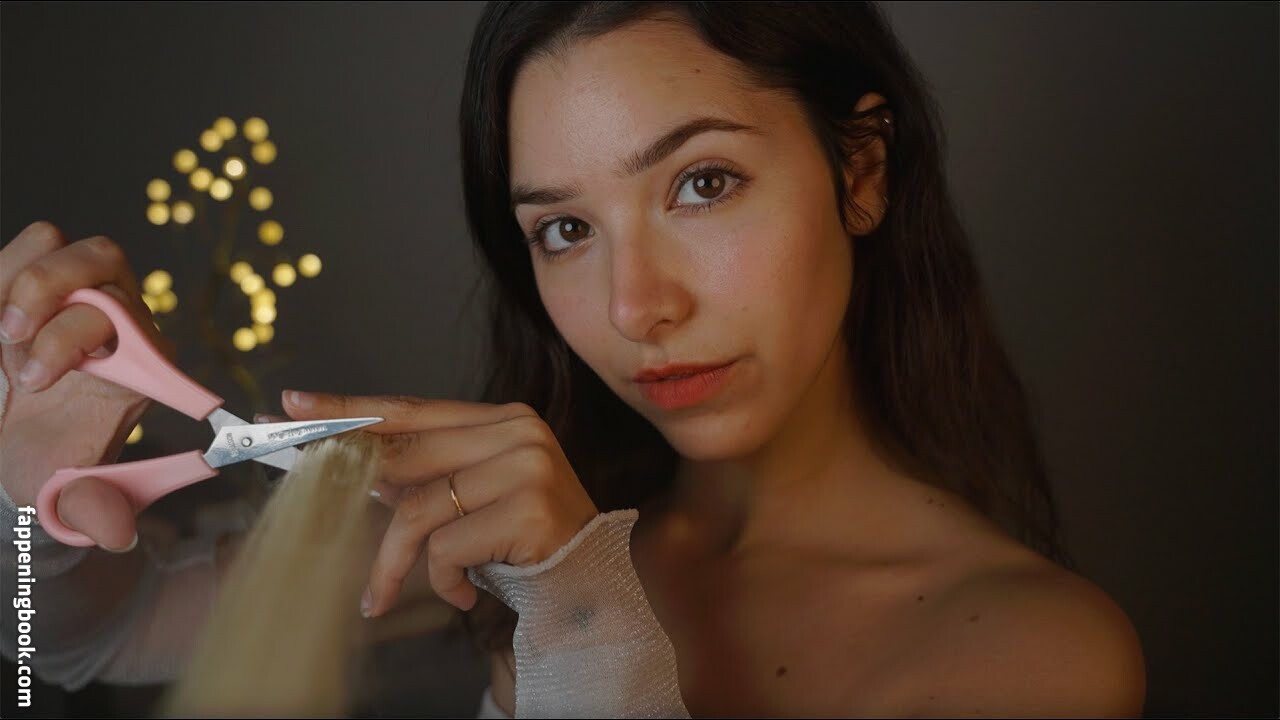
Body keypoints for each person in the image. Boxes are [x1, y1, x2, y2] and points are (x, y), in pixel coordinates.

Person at [0, 1, 1147, 717]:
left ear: (859, 171)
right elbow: (72, 641)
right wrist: (29, 489)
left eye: (702, 183)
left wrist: (582, 618)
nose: (634, 305)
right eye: (562, 230)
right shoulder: (498, 534)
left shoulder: (1034, 655)